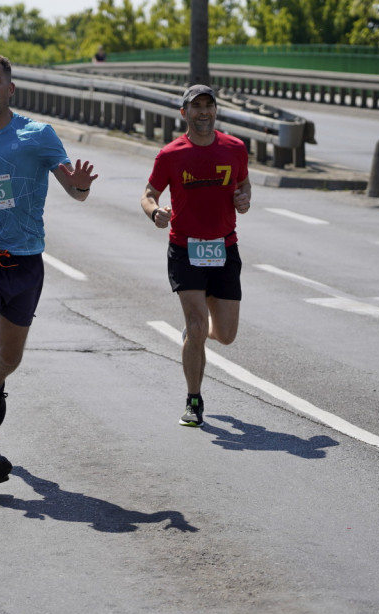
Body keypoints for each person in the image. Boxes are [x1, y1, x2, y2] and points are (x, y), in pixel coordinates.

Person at [0, 54, 98, 486]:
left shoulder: (37, 135)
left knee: (7, 358)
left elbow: (74, 190)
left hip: (24, 261)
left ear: (11, 89)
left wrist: (81, 184)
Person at [140, 84, 251, 427]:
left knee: (226, 334)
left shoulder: (235, 148)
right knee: (197, 323)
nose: (203, 112)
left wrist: (244, 198)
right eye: (196, 106)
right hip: (185, 248)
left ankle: (194, 337)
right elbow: (148, 194)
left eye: (209, 105)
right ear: (183, 113)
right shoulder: (170, 154)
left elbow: (244, 184)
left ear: (215, 111)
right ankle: (193, 400)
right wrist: (155, 211)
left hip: (224, 246)